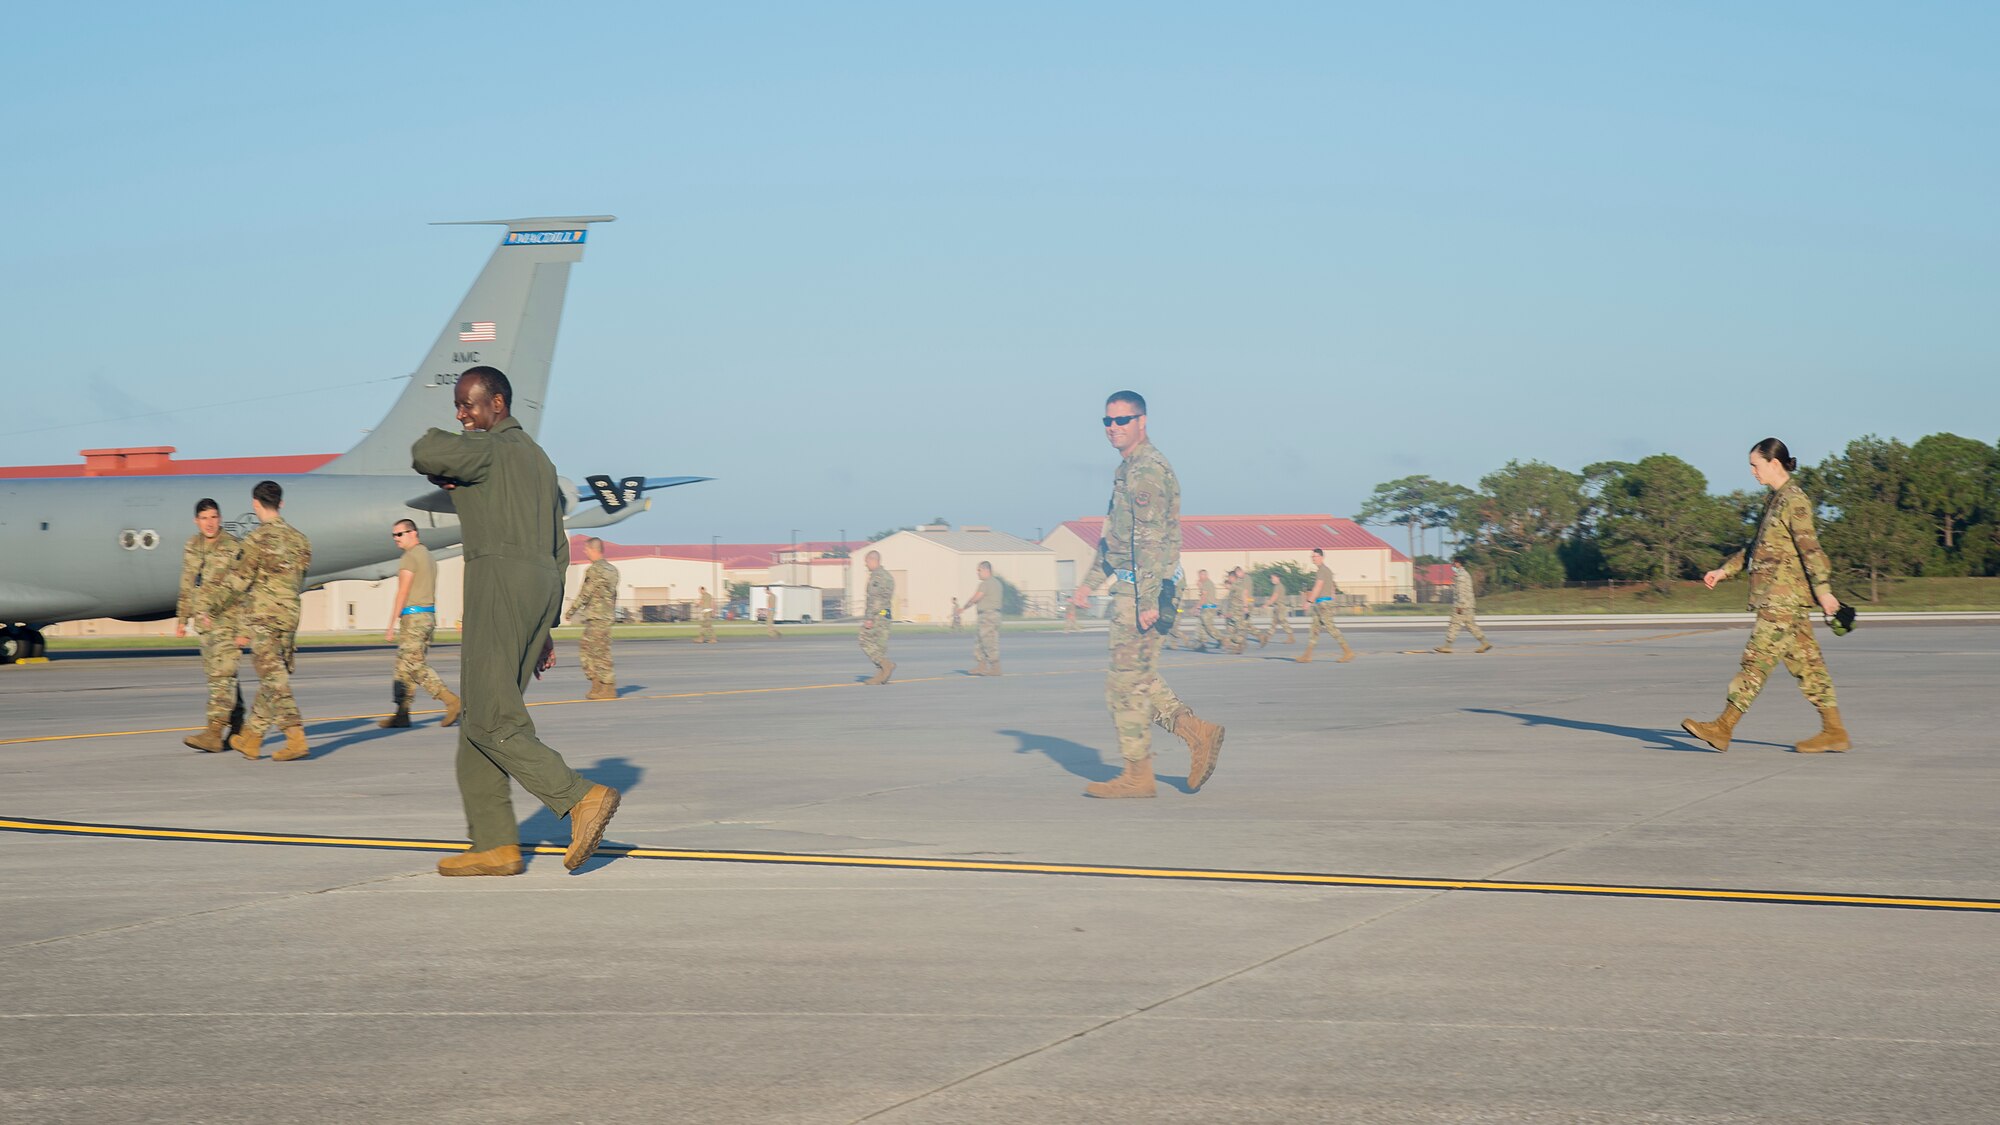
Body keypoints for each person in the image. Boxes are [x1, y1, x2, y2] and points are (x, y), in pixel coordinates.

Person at [411, 366, 620, 876]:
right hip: (539, 585)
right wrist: (544, 624)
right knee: (480, 718)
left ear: (498, 404)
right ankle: (496, 844)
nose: (462, 415)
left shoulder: (490, 448)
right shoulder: (540, 462)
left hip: (498, 583)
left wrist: (448, 457)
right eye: (458, 407)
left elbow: (423, 450)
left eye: (469, 404)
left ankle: (579, 797)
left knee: (489, 718)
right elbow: (559, 545)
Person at [1071, 391, 1224, 798]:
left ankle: (1139, 776)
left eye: (1123, 419)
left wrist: (1147, 600)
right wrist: (1088, 584)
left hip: (1146, 587)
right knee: (1135, 679)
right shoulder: (1127, 471)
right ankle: (1196, 733)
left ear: (1143, 421)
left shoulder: (1146, 472)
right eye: (1107, 420)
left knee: (1123, 685)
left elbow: (1150, 539)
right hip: (1134, 583)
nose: (1114, 427)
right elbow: (1114, 541)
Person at [1683, 438, 1850, 753]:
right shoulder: (1774, 500)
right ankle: (1834, 730)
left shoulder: (1794, 501)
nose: (1752, 472)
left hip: (1782, 599)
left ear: (1774, 464)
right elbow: (1756, 547)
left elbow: (1810, 548)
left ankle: (1723, 727)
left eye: (1755, 465)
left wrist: (1825, 593)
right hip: (1785, 599)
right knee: (1809, 665)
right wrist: (1724, 571)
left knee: (1756, 660)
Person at [202, 480, 312, 761]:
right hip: (290, 616)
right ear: (281, 503)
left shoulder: (256, 540)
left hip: (265, 618)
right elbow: (301, 578)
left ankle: (295, 736)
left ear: (255, 504)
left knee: (273, 679)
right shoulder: (301, 539)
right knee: (271, 677)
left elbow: (239, 581)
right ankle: (251, 738)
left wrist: (211, 607)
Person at [176, 498, 246, 751]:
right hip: (203, 623)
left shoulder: (233, 547)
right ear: (197, 521)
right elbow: (187, 582)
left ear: (220, 519)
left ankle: (214, 731)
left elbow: (244, 588)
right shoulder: (192, 546)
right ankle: (239, 727)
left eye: (214, 517)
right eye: (204, 518)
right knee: (222, 677)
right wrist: (182, 619)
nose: (210, 523)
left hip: (229, 621)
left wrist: (244, 629)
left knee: (221, 676)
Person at [378, 519, 462, 728]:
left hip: (414, 618)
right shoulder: (427, 555)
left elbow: (403, 591)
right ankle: (402, 713)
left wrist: (390, 624)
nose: (396, 539)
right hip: (426, 616)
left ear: (413, 533)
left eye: (400, 534)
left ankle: (451, 701)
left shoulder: (410, 557)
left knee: (414, 665)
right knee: (402, 667)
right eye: (394, 535)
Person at [569, 537, 619, 699]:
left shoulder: (594, 570)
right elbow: (612, 594)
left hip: (597, 616)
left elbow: (586, 592)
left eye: (586, 549)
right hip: (604, 616)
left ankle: (608, 687)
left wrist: (572, 610)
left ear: (593, 549)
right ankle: (597, 684)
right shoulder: (612, 570)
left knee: (598, 652)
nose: (585, 552)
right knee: (589, 649)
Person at [1299, 548, 1356, 663]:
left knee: (1331, 628)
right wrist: (1331, 597)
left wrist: (1309, 601)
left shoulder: (1322, 571)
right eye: (1312, 557)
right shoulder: (1326, 570)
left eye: (1315, 557)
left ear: (1321, 557)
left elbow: (1318, 586)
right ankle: (1307, 655)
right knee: (1314, 629)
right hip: (1322, 603)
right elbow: (1331, 587)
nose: (1313, 559)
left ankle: (1348, 652)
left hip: (1323, 604)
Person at [1434, 557, 1491, 654]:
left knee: (1454, 624)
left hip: (1462, 605)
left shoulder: (1461, 575)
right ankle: (1484, 643)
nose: (1453, 564)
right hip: (1468, 604)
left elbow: (1461, 591)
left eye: (1454, 563)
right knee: (1470, 625)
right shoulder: (1464, 574)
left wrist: (1460, 605)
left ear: (1458, 563)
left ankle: (1447, 646)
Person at [859, 550, 895, 684]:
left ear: (874, 560)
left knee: (864, 639)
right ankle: (882, 675)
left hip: (877, 615)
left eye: (867, 561)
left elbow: (874, 600)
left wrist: (869, 618)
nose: (866, 564)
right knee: (879, 646)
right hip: (885, 614)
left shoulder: (877, 577)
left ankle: (886, 665)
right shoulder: (888, 576)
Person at [965, 560, 1003, 676]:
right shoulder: (997, 583)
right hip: (993, 615)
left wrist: (964, 607)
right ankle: (981, 666)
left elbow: (976, 598)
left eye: (979, 570)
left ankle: (995, 667)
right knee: (981, 640)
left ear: (986, 570)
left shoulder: (986, 583)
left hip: (988, 616)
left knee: (988, 641)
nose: (978, 573)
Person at [1256, 573, 1295, 646]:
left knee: (1282, 621)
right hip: (1277, 607)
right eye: (1271, 578)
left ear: (1278, 578)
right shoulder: (1278, 586)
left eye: (1273, 578)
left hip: (1280, 607)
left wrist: (1266, 604)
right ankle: (1267, 638)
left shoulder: (1278, 586)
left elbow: (1274, 597)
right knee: (1274, 623)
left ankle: (1291, 637)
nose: (1272, 580)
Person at [1223, 567, 1253, 653]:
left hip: (1239, 612)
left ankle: (1238, 644)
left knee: (1238, 631)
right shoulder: (1234, 586)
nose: (1228, 579)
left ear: (1232, 577)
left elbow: (1244, 594)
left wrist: (1246, 608)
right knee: (1232, 629)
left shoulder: (1237, 586)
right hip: (1234, 612)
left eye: (1229, 577)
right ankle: (1237, 646)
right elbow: (1231, 600)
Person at [1194, 569, 1222, 651]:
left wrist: (1197, 607)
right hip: (1207, 607)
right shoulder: (1207, 583)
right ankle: (1203, 644)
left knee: (1208, 627)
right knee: (1202, 626)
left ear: (1205, 575)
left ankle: (1222, 639)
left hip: (1208, 608)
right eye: (1199, 576)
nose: (1199, 577)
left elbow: (1204, 597)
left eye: (1201, 575)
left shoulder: (1206, 583)